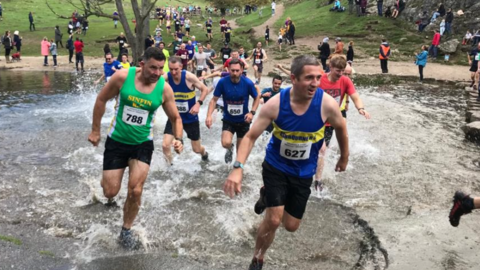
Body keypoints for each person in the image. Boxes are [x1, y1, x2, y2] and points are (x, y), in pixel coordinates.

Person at [223, 55, 349, 270]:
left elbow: (341, 128)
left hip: (303, 172)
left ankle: (266, 197)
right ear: (294, 78)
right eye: (309, 78)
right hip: (276, 167)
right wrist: (237, 167)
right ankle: (258, 258)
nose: (315, 83)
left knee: (290, 226)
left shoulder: (326, 103)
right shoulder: (276, 104)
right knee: (273, 220)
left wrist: (344, 156)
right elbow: (251, 136)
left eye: (318, 78)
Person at [88, 47, 183, 250]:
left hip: (142, 144)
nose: (157, 73)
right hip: (117, 141)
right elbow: (101, 99)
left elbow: (175, 117)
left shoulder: (164, 88)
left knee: (135, 190)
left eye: (160, 68)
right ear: (142, 64)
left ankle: (126, 230)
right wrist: (95, 130)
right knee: (110, 192)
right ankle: (106, 182)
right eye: (153, 68)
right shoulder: (123, 76)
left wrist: (179, 138)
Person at [314, 55, 369, 191]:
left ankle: (317, 180)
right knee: (316, 148)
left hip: (330, 122)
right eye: (337, 70)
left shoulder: (345, 81)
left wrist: (360, 108)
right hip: (315, 119)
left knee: (322, 150)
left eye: (342, 71)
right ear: (330, 67)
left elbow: (355, 96)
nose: (340, 74)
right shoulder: (320, 79)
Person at [205, 59, 260, 164]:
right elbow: (213, 100)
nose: (235, 73)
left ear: (242, 70)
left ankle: (237, 170)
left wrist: (252, 113)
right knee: (225, 143)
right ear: (228, 69)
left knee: (240, 153)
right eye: (232, 70)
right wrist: (208, 116)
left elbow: (257, 98)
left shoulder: (247, 83)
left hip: (244, 121)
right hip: (228, 120)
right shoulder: (222, 82)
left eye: (237, 70)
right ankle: (230, 148)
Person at [162, 56, 209, 164]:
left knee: (196, 149)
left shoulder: (189, 77)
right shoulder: (166, 77)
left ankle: (204, 153)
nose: (173, 72)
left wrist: (198, 104)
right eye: (171, 69)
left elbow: (204, 89)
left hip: (190, 118)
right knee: (165, 145)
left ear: (181, 67)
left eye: (176, 69)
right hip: (174, 118)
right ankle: (171, 166)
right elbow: (153, 84)